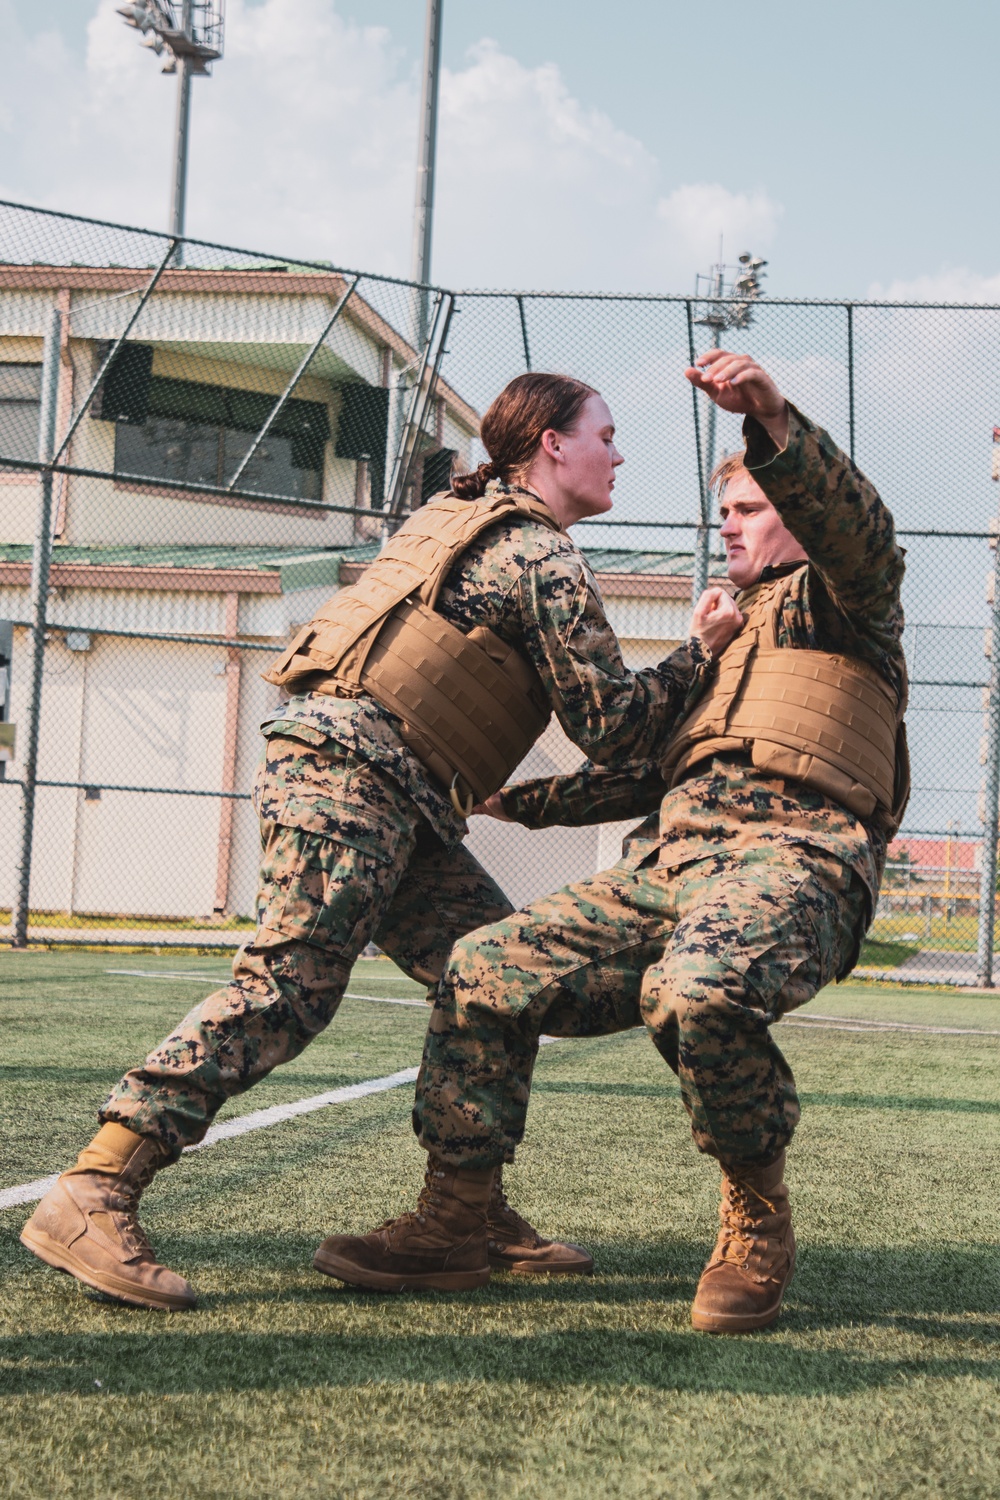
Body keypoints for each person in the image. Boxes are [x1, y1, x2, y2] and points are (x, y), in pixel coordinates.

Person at [21, 371, 743, 1311]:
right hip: (354, 777)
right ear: (553, 445)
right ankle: (96, 1185)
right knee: (288, 986)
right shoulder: (541, 554)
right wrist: (705, 649)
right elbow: (612, 725)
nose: (619, 453)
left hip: (390, 787)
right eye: (606, 433)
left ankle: (465, 1208)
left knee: (497, 973)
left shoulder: (458, 517)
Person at [315, 348, 910, 1331]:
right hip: (668, 867)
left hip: (795, 864)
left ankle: (756, 1216)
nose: (729, 521)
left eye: (751, 507)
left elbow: (861, 535)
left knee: (699, 990)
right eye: (724, 509)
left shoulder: (846, 605)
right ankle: (458, 1222)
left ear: (796, 514)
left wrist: (767, 414)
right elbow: (635, 773)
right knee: (483, 967)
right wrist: (520, 802)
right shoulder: (724, 638)